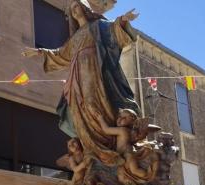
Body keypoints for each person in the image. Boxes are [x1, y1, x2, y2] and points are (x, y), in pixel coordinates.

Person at [22, 0, 140, 167]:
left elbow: (113, 30)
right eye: (72, 10)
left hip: (94, 73)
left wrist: (123, 20)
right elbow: (61, 55)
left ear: (85, 9)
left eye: (77, 7)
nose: (75, 11)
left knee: (95, 104)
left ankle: (106, 144)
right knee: (79, 110)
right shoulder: (75, 37)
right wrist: (40, 51)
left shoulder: (97, 26)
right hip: (77, 78)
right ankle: (91, 149)